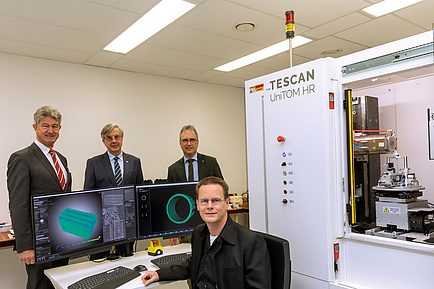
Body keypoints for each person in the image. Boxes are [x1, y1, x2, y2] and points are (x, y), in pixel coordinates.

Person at [141, 177, 271, 289]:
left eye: (215, 200)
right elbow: (193, 264)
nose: (209, 206)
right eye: (204, 201)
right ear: (197, 205)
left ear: (226, 203)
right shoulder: (199, 233)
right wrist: (159, 274)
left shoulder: (251, 242)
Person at [7, 106, 71, 289]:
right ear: (35, 127)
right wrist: (25, 246)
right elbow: (18, 205)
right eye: (45, 126)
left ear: (59, 129)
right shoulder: (21, 158)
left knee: (59, 283)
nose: (50, 130)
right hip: (38, 241)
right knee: (39, 285)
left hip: (62, 236)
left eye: (55, 126)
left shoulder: (61, 159)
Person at [84, 123, 144, 258]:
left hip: (128, 223)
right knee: (101, 262)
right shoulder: (93, 163)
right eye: (109, 138)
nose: (114, 141)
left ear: (122, 139)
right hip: (103, 225)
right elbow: (88, 195)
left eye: (117, 137)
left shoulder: (135, 161)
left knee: (127, 260)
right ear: (104, 141)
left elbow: (140, 191)